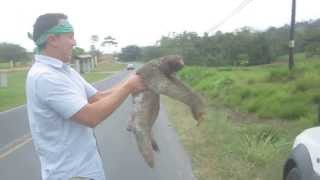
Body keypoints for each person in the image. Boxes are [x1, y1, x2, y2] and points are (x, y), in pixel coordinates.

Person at [26, 13, 145, 180]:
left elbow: (98, 98)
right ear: (52, 39)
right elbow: (90, 116)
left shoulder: (65, 71)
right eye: (70, 36)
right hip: (70, 174)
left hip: (86, 169)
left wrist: (132, 80)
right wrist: (129, 86)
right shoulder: (45, 77)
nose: (75, 42)